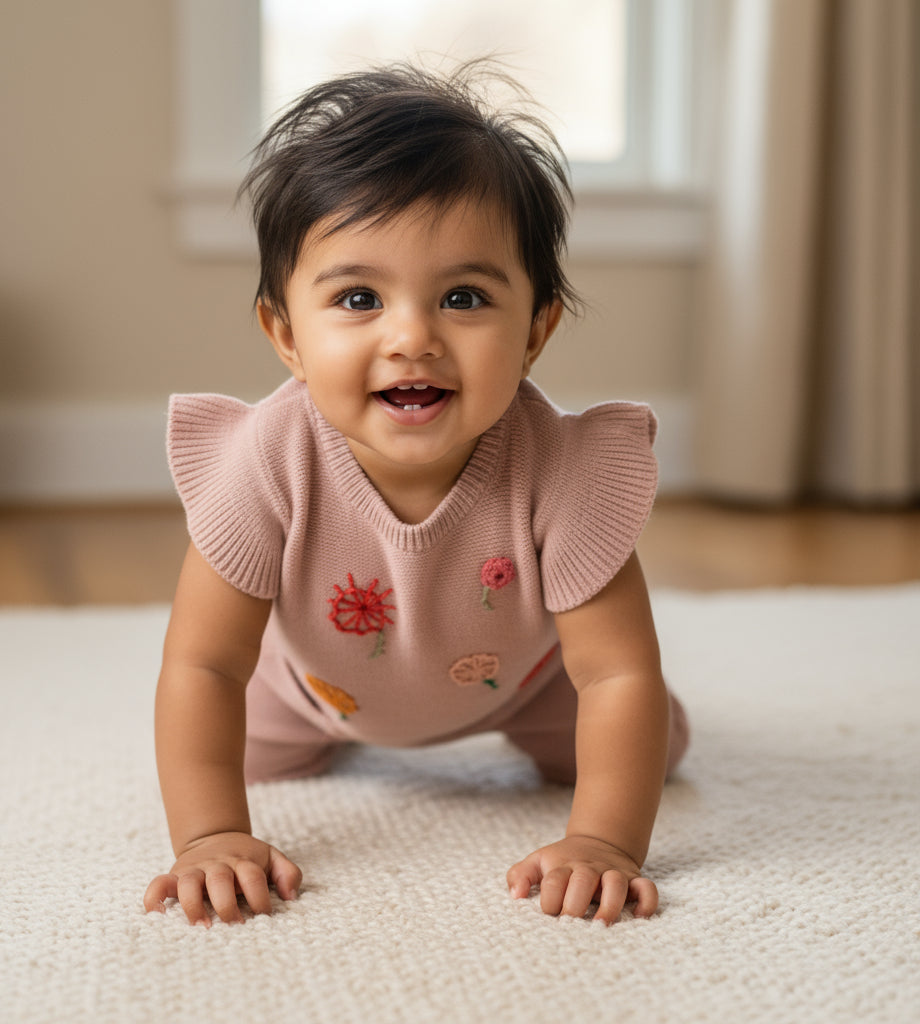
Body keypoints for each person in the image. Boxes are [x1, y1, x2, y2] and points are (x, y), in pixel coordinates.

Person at [143, 60, 689, 928]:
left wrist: (605, 843)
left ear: (536, 329)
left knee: (645, 740)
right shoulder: (263, 461)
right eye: (359, 298)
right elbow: (205, 664)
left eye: (464, 297)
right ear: (285, 334)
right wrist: (209, 836)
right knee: (239, 758)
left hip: (526, 683)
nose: (412, 337)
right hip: (304, 690)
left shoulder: (564, 469)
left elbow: (616, 670)